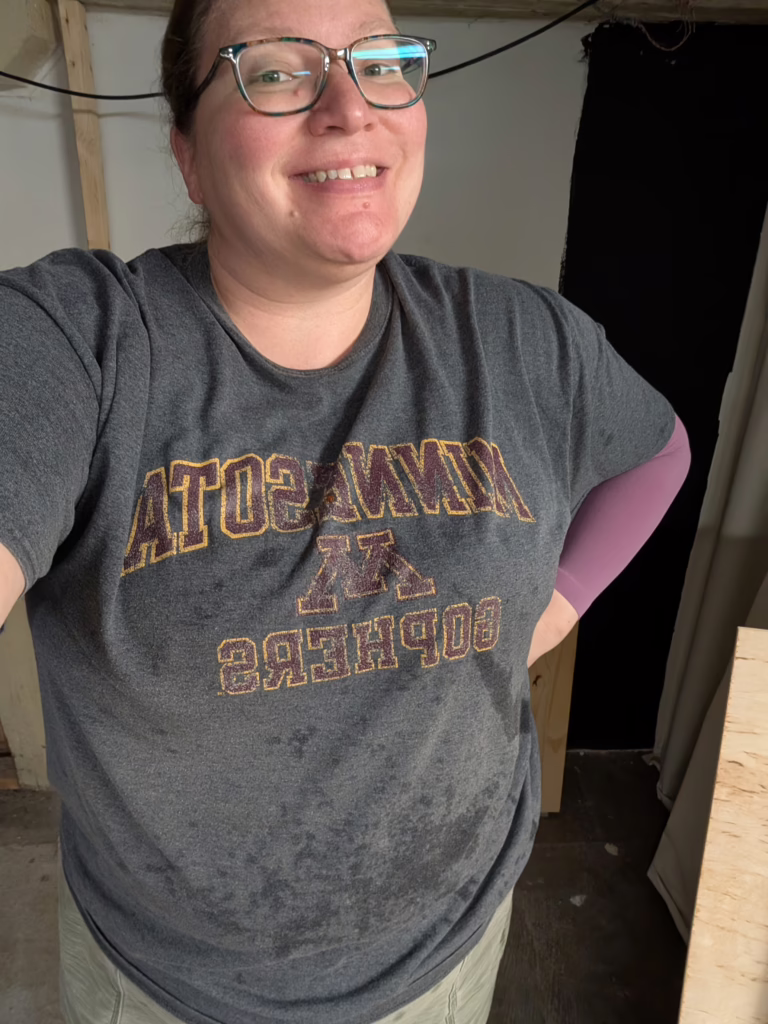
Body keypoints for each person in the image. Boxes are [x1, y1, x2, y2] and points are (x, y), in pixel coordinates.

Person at [0, 0, 691, 1020]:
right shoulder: (80, 342)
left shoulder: (522, 339)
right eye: (278, 71)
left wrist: (558, 605)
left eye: (382, 61)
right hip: (167, 992)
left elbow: (660, 450)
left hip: (448, 958)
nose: (350, 106)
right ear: (188, 156)